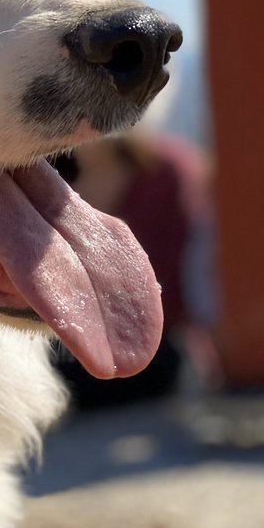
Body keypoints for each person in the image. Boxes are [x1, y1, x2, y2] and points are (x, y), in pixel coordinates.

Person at [52, 131, 219, 408]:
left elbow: (189, 272)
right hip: (71, 348)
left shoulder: (165, 172)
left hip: (154, 347)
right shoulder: (48, 180)